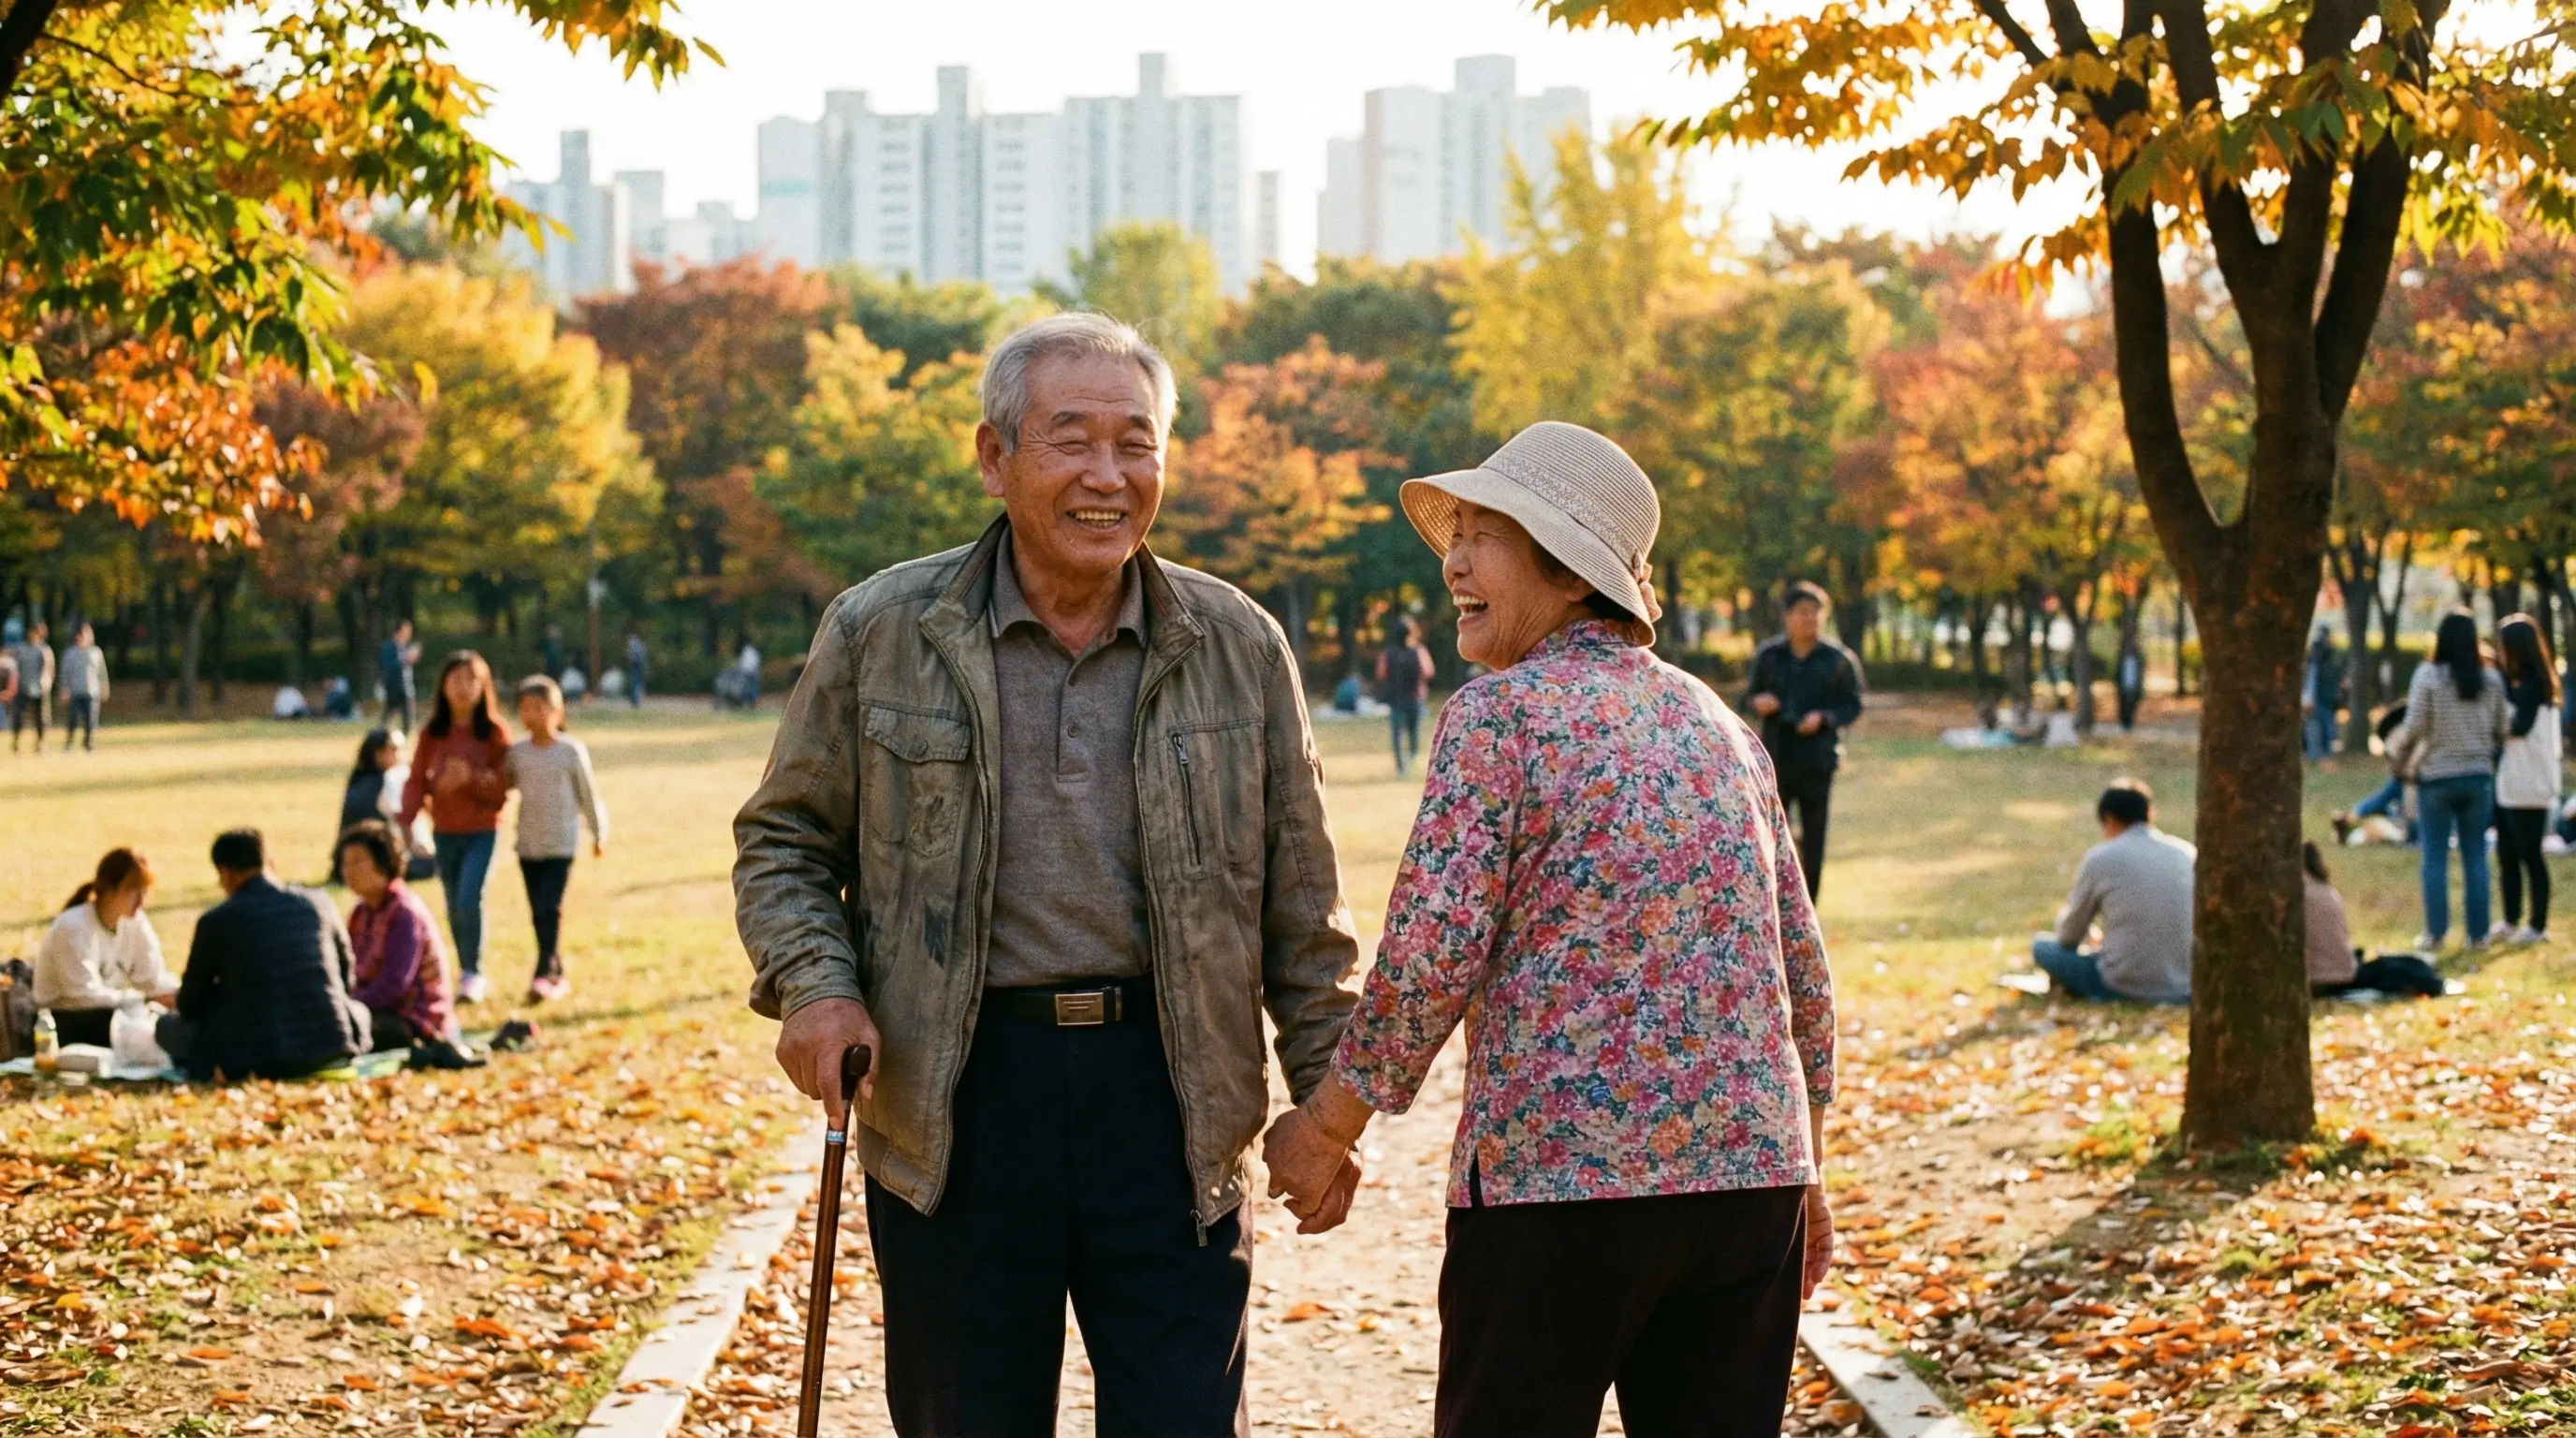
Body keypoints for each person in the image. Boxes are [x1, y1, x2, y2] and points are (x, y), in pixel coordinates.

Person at [734, 312, 1360, 1433]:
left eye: (1137, 444)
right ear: (994, 455)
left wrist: (1324, 1108)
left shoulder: (1238, 645)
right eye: (1072, 441)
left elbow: (1303, 909)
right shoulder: (882, 629)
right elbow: (784, 840)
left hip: (1173, 1098)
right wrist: (817, 988)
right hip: (958, 1096)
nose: (1107, 476)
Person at [1263, 421, 1835, 1436]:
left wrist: (1325, 1128)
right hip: (1751, 1187)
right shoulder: (1722, 726)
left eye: (1489, 534)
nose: (1455, 560)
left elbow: (1430, 956)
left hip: (1558, 1190)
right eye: (1457, 534)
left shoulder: (1502, 716)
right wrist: (1810, 1177)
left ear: (1574, 575)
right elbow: (1804, 975)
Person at [155, 829, 371, 1082]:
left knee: (167, 1028)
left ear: (226, 873)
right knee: (359, 1011)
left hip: (260, 1055)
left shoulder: (218, 920)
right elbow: (345, 975)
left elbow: (191, 1003)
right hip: (333, 1044)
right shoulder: (319, 903)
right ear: (269, 863)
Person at [399, 652, 512, 1005]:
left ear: (484, 687)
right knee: (452, 902)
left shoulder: (494, 734)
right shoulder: (432, 734)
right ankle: (464, 968)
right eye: (455, 680)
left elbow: (502, 790)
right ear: (443, 686)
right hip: (444, 831)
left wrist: (472, 779)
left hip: (482, 830)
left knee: (469, 896)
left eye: (471, 680)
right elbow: (417, 780)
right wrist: (406, 819)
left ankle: (473, 971)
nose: (463, 688)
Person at [2392, 610, 2510, 950]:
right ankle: (2479, 935)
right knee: (2476, 856)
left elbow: (2413, 726)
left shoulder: (2427, 676)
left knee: (2434, 857)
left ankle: (2436, 933)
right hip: (2478, 777)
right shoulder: (2491, 681)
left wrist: (2399, 754)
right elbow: (2502, 729)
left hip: (2436, 778)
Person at [1740, 581, 1865, 898]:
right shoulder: (1769, 656)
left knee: (1814, 836)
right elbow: (1746, 698)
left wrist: (1824, 718)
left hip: (1817, 759)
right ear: (1787, 616)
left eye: (1816, 612)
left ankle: (1810, 904)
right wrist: (1758, 703)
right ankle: (1770, 899)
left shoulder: (1838, 660)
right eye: (1802, 612)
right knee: (1769, 831)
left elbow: (1852, 704)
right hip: (1775, 758)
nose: (1810, 618)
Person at [2030, 779, 2195, 1003]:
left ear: (2108, 819)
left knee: (2042, 946)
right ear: (2150, 813)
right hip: (2183, 984)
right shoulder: (2186, 853)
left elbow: (2067, 937)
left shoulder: (2100, 858)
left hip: (2122, 984)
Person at [505, 675, 607, 1003]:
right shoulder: (517, 753)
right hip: (529, 844)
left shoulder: (570, 752)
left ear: (557, 711)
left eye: (539, 708)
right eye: (525, 709)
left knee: (551, 906)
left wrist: (598, 832)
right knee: (538, 910)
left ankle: (542, 972)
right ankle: (555, 967)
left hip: (561, 843)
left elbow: (588, 794)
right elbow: (501, 788)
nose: (531, 715)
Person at [336, 820, 468, 1064]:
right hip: (373, 1010)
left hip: (415, 1019)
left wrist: (350, 1006)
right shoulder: (360, 913)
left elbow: (394, 984)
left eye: (357, 861)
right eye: (345, 863)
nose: (348, 871)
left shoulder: (405, 913)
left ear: (384, 862)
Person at [31, 848, 175, 1049]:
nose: (141, 901)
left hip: (109, 1011)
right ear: (108, 888)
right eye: (132, 890)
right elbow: (84, 996)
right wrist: (144, 999)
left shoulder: (135, 922)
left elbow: (150, 977)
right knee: (146, 1030)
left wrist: (181, 994)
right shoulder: (73, 927)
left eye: (145, 891)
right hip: (66, 1021)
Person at [2496, 612, 2561, 945]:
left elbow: (2517, 726)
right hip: (2513, 782)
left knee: (2529, 854)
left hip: (2530, 784)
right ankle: (2510, 918)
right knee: (2507, 854)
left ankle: (2537, 925)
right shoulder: (2521, 684)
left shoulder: (2535, 685)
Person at [333, 727, 425, 883]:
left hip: (344, 867)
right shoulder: (391, 780)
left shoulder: (357, 780)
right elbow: (404, 827)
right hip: (378, 864)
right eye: (396, 749)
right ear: (378, 754)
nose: (403, 754)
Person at [2334, 703, 2420, 846]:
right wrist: (2355, 813)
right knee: (2386, 810)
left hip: (2418, 831)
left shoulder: (2421, 779)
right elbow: (2380, 799)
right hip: (2407, 823)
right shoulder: (2400, 781)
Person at [1376, 613, 1433, 776]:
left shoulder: (1387, 653)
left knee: (1397, 735)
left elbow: (1381, 674)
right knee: (1413, 733)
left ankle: (1400, 767)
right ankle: (1411, 760)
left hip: (1395, 698)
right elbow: (1428, 671)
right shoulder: (1419, 651)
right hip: (1415, 697)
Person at [55, 622, 106, 752]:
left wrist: (105, 686)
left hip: (92, 691)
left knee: (90, 721)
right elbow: (64, 673)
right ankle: (69, 743)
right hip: (75, 692)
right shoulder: (70, 653)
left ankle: (89, 744)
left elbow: (102, 672)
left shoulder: (96, 652)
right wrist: (64, 688)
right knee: (73, 719)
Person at [2303, 627, 2346, 764]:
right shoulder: (2323, 664)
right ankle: (2318, 755)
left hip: (2322, 700)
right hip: (2321, 700)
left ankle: (2319, 755)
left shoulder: (2318, 664)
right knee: (2320, 728)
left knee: (2319, 729)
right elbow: (2312, 683)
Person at [9, 620, 52, 753]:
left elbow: (49, 669)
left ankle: (41, 743)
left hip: (40, 689)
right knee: (19, 717)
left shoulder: (44, 650)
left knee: (41, 719)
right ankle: (16, 742)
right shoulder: (21, 649)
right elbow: (14, 668)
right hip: (23, 687)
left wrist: (47, 682)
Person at [378, 619, 420, 730]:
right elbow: (389, 666)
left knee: (407, 715)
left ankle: (405, 736)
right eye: (405, 631)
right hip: (393, 686)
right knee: (389, 713)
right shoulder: (388, 647)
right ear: (397, 632)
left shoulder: (406, 647)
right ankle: (380, 734)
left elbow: (407, 666)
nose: (408, 634)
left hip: (407, 686)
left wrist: (412, 659)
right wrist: (406, 659)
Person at [2115, 632, 2146, 733]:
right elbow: (2117, 672)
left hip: (2134, 685)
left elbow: (2142, 672)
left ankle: (2129, 724)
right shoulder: (2122, 657)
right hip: (2124, 686)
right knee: (2123, 706)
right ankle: (2125, 725)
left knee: (2132, 705)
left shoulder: (2138, 658)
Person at [623, 625, 648, 708]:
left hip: (635, 665)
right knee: (638, 683)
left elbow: (630, 655)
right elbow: (644, 652)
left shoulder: (631, 642)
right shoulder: (639, 642)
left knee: (634, 683)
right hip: (639, 665)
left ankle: (635, 701)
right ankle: (636, 701)